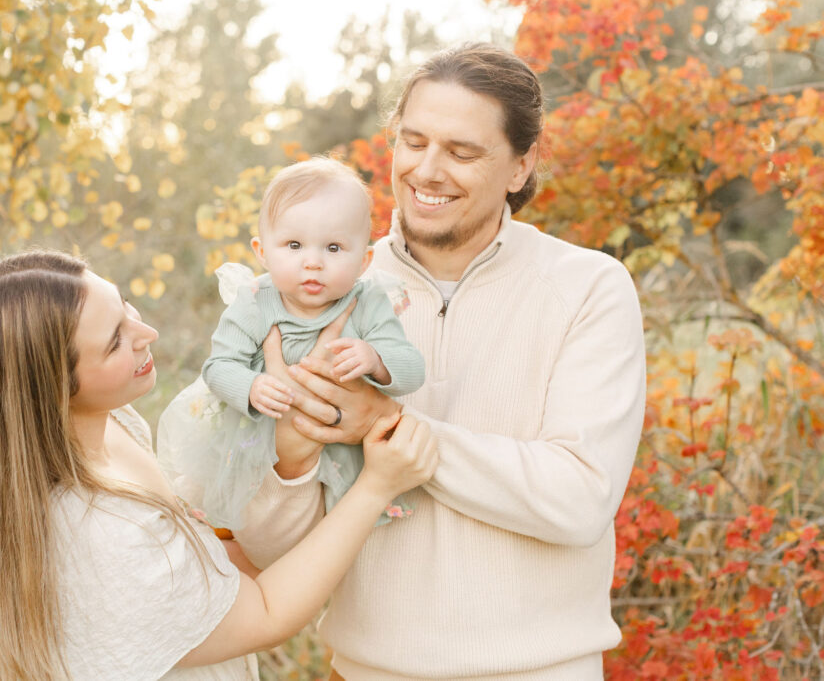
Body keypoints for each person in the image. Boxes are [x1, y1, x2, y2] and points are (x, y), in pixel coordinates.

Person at [232, 43, 647, 679]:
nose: (427, 171)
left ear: (520, 164)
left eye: (461, 152)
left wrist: (384, 426)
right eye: (414, 141)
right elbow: (268, 549)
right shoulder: (316, 288)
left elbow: (580, 500)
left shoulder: (588, 287)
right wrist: (292, 455)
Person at [0, 250, 438, 680]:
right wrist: (374, 487)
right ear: (53, 385)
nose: (147, 334)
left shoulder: (115, 425)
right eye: (115, 341)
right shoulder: (99, 529)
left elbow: (216, 566)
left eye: (126, 311)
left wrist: (288, 449)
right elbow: (264, 614)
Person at [159, 157, 425, 530]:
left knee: (339, 526)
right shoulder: (254, 300)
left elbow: (412, 370)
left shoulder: (367, 302)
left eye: (333, 248)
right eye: (294, 245)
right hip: (257, 443)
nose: (313, 262)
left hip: (340, 447)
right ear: (262, 252)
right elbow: (219, 366)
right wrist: (250, 386)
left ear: (364, 260)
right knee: (244, 522)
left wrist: (376, 358)